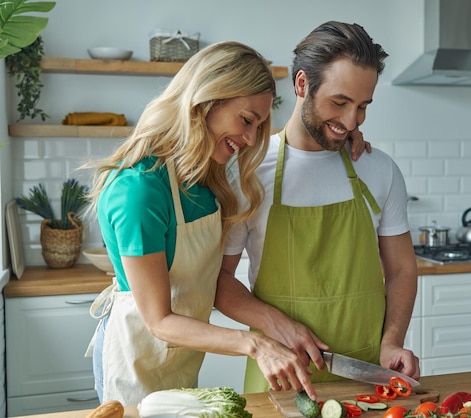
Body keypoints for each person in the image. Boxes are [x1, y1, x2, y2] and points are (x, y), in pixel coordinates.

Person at [83, 41, 319, 406]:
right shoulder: (139, 191)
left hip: (182, 361)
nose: (251, 138)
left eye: (258, 125)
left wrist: (280, 327)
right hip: (134, 363)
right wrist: (253, 343)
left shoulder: (204, 179)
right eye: (247, 120)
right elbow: (160, 320)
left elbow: (212, 286)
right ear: (207, 100)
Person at [215, 21, 420, 395]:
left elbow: (403, 268)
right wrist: (277, 326)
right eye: (340, 102)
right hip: (280, 375)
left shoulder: (378, 169)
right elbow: (220, 281)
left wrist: (391, 341)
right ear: (301, 85)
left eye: (362, 107)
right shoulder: (247, 173)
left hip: (365, 373)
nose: (350, 121)